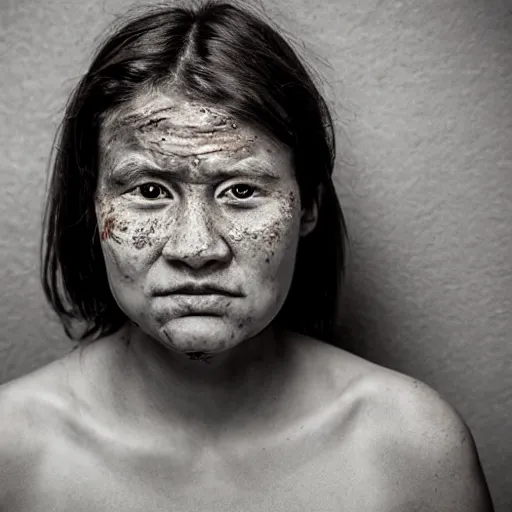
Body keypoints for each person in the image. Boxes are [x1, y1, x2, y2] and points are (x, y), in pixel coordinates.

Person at [0, 1, 494, 510]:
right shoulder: (12, 451)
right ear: (93, 205)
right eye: (149, 190)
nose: (195, 249)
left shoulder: (414, 450)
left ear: (308, 205)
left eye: (240, 191)